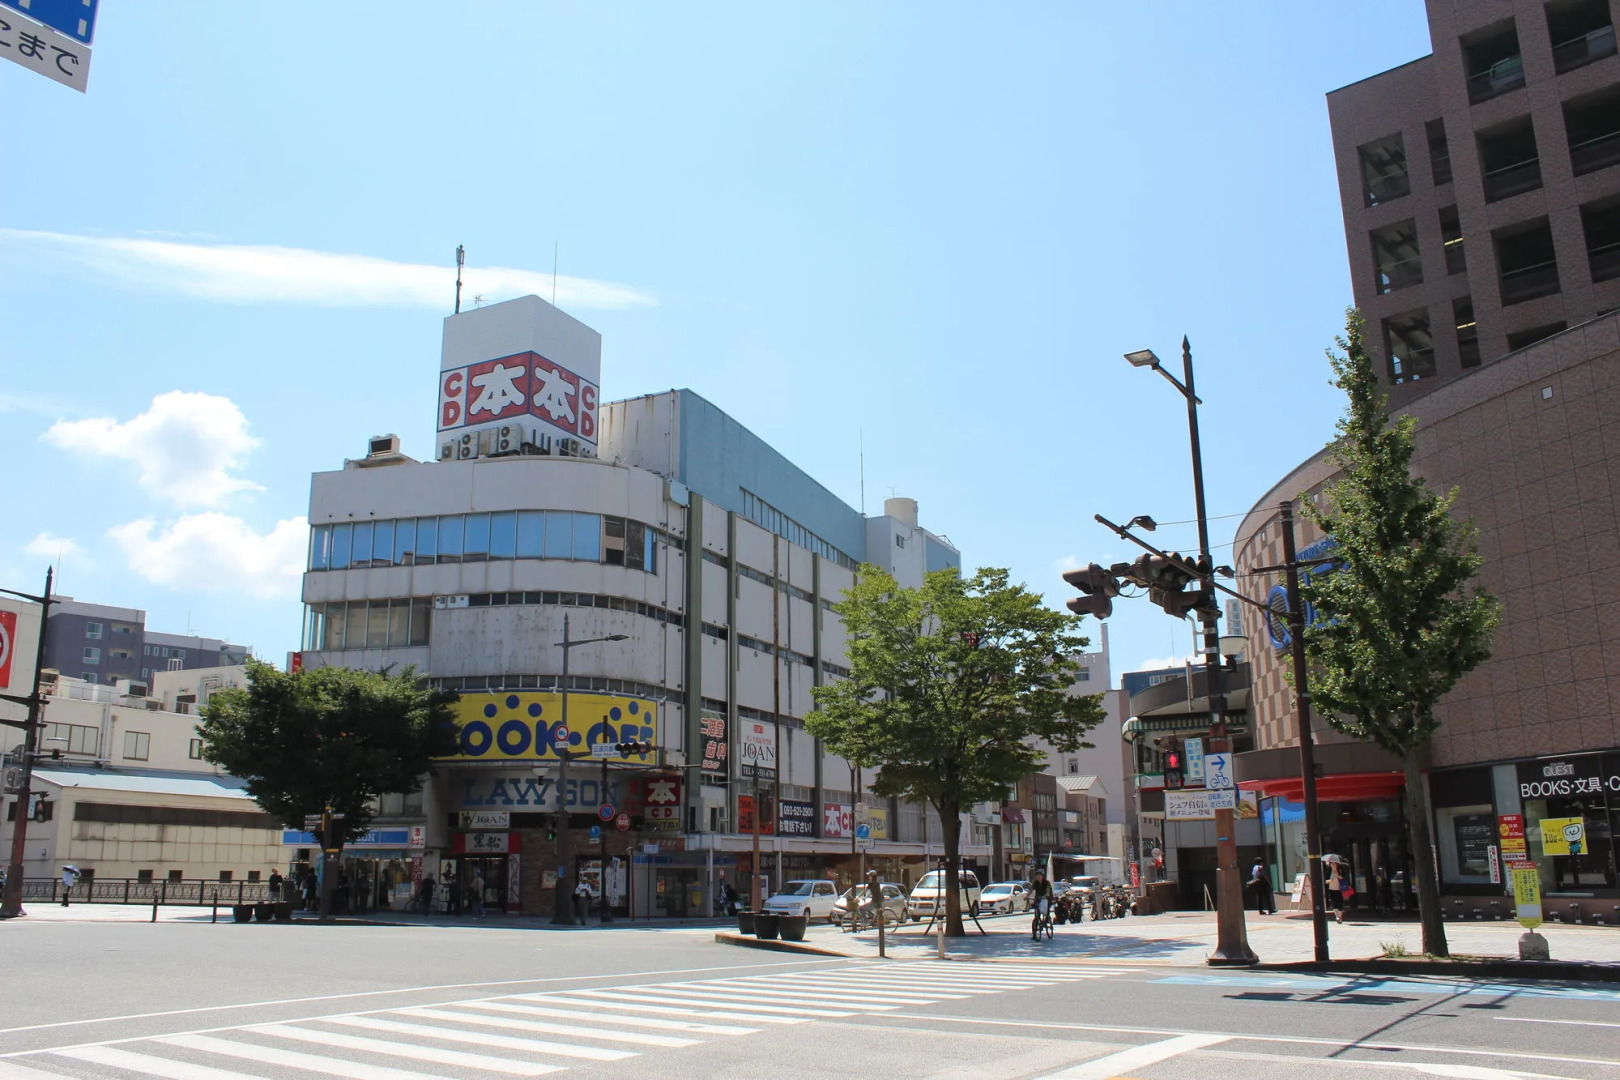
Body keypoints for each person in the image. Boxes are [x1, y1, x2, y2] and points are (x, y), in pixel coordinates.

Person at [1028, 870, 1054, 941]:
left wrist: (1046, 895)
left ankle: (1047, 920)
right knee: (1037, 914)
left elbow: (1048, 890)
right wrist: (1026, 896)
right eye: (1037, 876)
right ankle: (1034, 934)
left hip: (1046, 899)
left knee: (1046, 910)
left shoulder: (1046, 883)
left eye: (1040, 876)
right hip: (1038, 898)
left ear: (1042, 876)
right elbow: (1031, 890)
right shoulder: (1035, 883)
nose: (1038, 877)